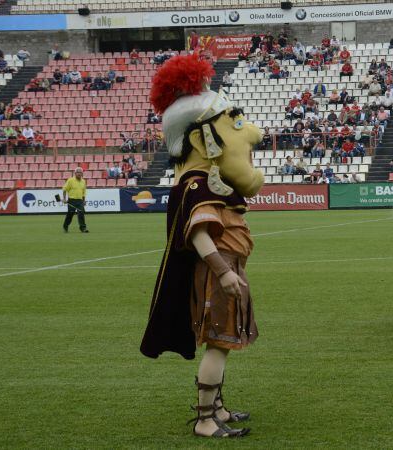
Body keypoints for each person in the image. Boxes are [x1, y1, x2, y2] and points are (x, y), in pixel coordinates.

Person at [140, 54, 267, 439]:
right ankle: (205, 420)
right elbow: (197, 232)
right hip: (217, 273)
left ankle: (219, 409)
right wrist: (225, 272)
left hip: (225, 269)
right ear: (202, 138)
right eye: (235, 122)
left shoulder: (202, 179)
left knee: (224, 342)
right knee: (218, 342)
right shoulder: (198, 182)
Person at [62, 167, 88, 233]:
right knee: (70, 214)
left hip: (80, 201)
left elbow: (83, 192)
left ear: (82, 174)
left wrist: (84, 200)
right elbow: (65, 189)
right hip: (72, 200)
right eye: (78, 172)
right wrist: (64, 199)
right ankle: (65, 226)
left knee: (81, 213)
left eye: (80, 173)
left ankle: (83, 228)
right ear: (75, 173)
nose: (79, 174)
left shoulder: (83, 181)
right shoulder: (70, 180)